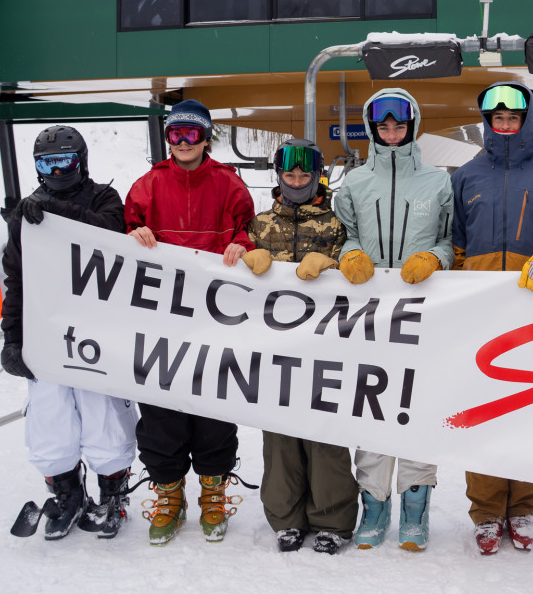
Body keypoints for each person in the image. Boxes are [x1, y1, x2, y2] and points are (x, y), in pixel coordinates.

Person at [450, 81, 533, 555]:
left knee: (530, 405)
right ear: (486, 123)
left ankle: (524, 504)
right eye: (496, 119)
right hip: (482, 313)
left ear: (528, 120)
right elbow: (456, 245)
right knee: (484, 408)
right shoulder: (466, 176)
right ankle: (486, 511)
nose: (505, 126)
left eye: (513, 118)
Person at [124, 99, 257, 545]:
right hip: (162, 321)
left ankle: (213, 491)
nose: (183, 142)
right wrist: (132, 236)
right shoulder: (148, 184)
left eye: (192, 134)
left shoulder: (228, 183)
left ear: (206, 137)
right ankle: (168, 492)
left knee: (214, 408)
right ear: (168, 139)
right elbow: (122, 236)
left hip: (215, 321)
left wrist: (240, 243)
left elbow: (248, 229)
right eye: (175, 134)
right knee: (161, 410)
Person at [0, 125, 138, 540]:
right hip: (47, 331)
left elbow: (115, 236)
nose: (57, 172)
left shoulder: (104, 198)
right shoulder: (28, 212)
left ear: (81, 161)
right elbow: (16, 279)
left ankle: (112, 492)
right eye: (47, 164)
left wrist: (66, 215)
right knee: (50, 416)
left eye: (65, 161)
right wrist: (12, 337)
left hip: (97, 329)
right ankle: (64, 491)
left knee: (102, 415)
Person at [333, 88, 454, 552]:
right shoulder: (355, 182)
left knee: (418, 407)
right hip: (371, 315)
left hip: (421, 314)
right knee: (372, 406)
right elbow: (347, 235)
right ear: (371, 128)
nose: (390, 132)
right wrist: (352, 254)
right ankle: (375, 505)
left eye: (398, 125)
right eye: (382, 126)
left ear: (413, 125)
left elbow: (449, 241)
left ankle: (416, 510)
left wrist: (434, 257)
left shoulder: (438, 182)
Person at [245, 138, 359, 556]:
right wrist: (245, 255)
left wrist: (335, 263)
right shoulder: (260, 223)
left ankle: (332, 518)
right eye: (289, 174)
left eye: (304, 174)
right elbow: (231, 268)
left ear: (317, 176)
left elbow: (353, 256)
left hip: (326, 346)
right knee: (280, 438)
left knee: (324, 434)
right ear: (278, 175)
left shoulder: (334, 223)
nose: (296, 180)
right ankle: (286, 516)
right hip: (273, 347)